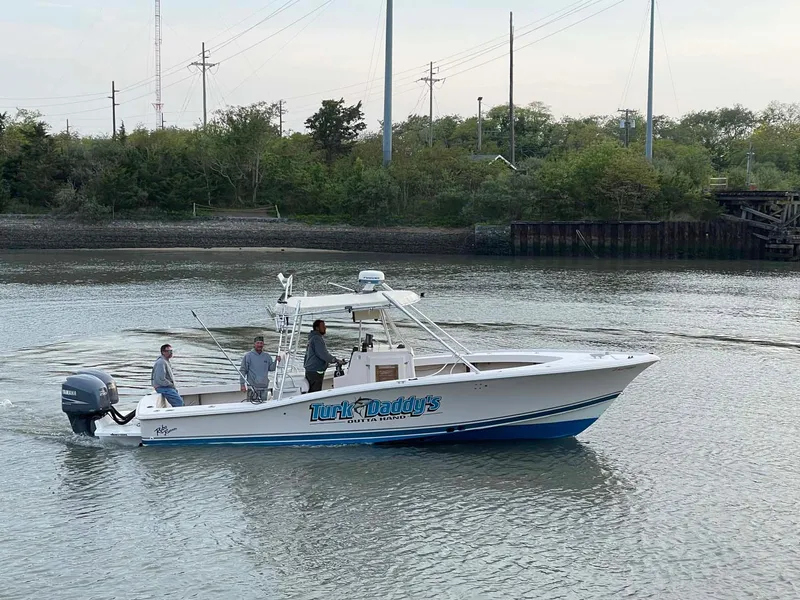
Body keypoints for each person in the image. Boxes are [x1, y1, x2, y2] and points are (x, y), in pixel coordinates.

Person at [304, 319, 343, 393]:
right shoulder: (316, 339)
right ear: (317, 328)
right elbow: (323, 354)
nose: (325, 328)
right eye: (323, 326)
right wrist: (335, 360)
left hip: (310, 370)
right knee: (315, 393)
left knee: (311, 392)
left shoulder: (312, 338)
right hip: (315, 371)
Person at [240, 335, 280, 401]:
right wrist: (242, 384)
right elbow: (243, 370)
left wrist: (276, 361)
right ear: (254, 344)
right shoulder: (248, 356)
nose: (259, 345)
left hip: (264, 387)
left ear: (263, 344)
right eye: (258, 343)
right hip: (253, 388)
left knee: (263, 404)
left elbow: (271, 368)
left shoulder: (267, 356)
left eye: (261, 343)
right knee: (252, 406)